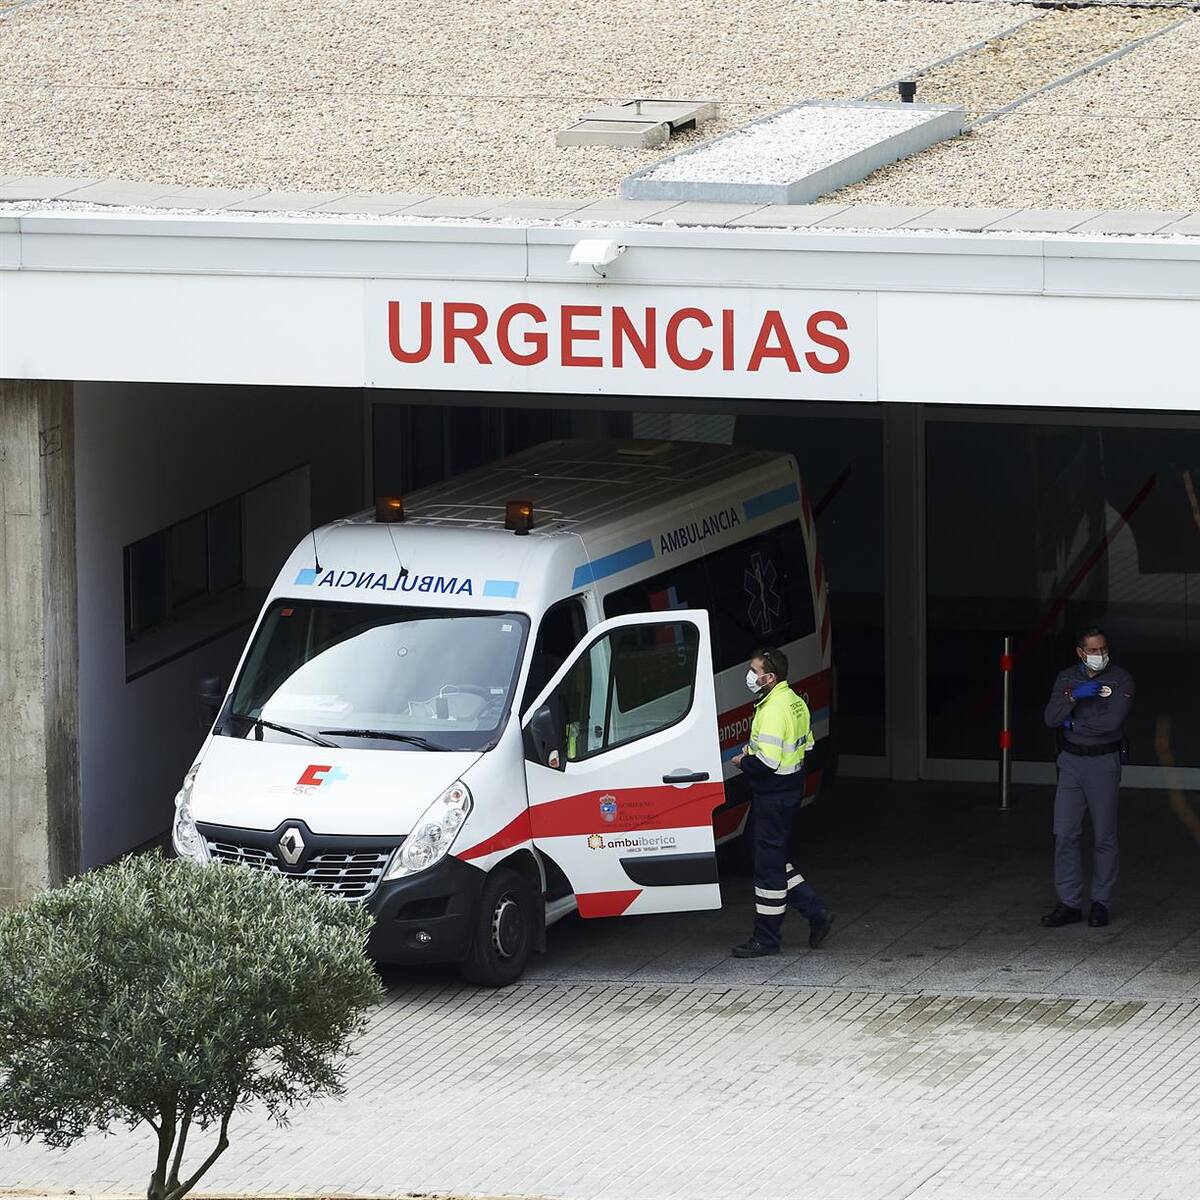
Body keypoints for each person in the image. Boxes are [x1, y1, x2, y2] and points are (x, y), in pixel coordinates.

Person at [730, 647, 834, 958]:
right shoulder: (794, 701)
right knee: (771, 858)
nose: (750, 675)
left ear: (770, 677)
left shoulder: (774, 708)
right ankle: (814, 911)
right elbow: (807, 745)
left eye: (754, 670)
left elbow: (767, 762)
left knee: (767, 869)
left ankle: (767, 938)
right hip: (789, 789)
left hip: (773, 792)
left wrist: (742, 762)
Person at [1041, 626, 1135, 929]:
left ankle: (1100, 902)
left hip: (1103, 762)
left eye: (1103, 649)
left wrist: (1073, 722)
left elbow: (1111, 723)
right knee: (1065, 833)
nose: (1099, 655)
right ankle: (1069, 902)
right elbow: (1050, 718)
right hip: (1070, 762)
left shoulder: (1120, 679)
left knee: (1104, 835)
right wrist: (1072, 699)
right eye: (1093, 650)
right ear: (1081, 653)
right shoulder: (1067, 679)